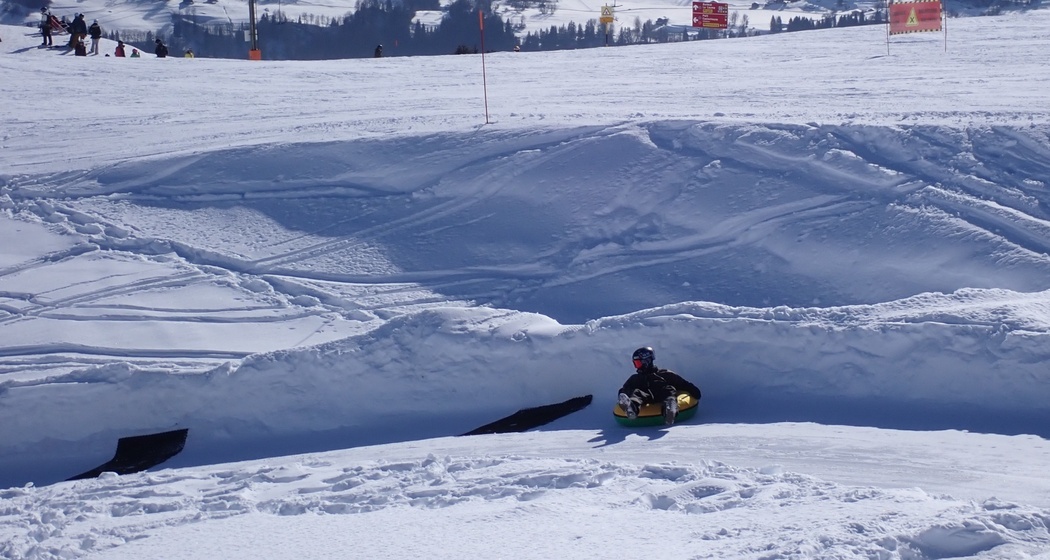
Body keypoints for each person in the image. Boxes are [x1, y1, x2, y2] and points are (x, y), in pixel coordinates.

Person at [617, 347, 702, 426]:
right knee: (637, 393)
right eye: (635, 364)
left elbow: (683, 384)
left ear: (647, 361)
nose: (636, 366)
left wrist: (695, 392)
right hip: (645, 398)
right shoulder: (635, 378)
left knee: (668, 390)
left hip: (662, 395)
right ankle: (632, 408)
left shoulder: (665, 374)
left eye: (638, 363)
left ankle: (669, 410)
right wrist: (624, 396)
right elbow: (624, 390)